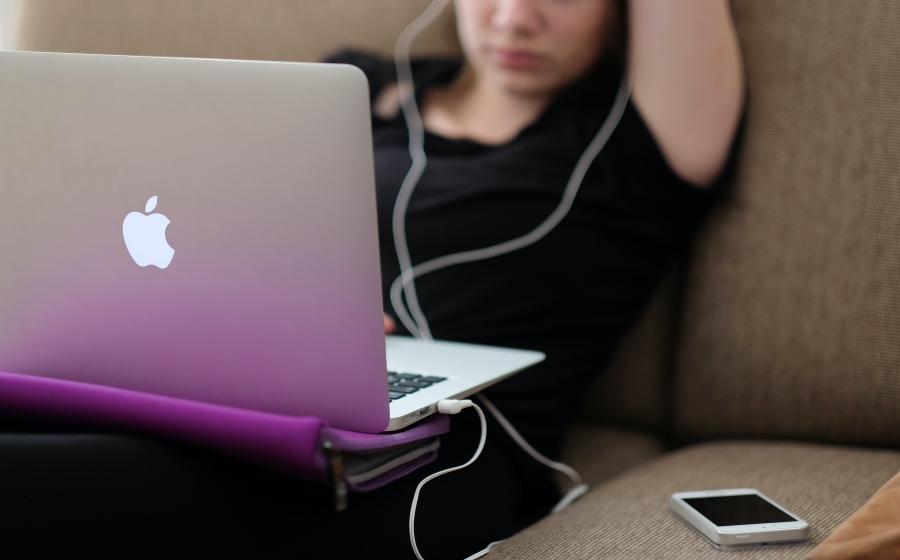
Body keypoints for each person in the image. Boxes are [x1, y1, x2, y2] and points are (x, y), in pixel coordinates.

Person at [314, 0, 745, 558]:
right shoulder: (356, 85)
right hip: (288, 386)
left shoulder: (637, 136)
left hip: (453, 445)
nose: (514, 18)